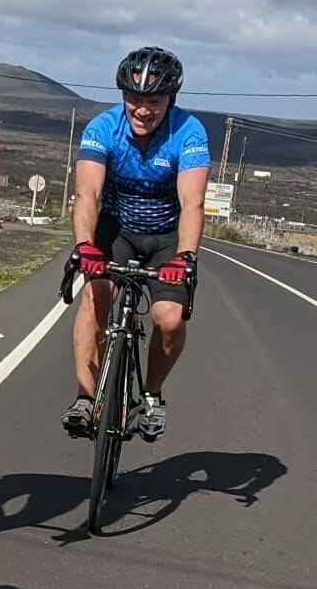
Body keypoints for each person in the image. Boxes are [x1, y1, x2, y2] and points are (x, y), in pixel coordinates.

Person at [62, 46, 209, 442]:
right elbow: (87, 194)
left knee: (169, 319)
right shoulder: (102, 127)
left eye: (153, 101)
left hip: (166, 235)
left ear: (170, 99)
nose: (142, 110)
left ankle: (153, 393)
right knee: (96, 296)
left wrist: (186, 256)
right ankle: (84, 396)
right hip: (117, 230)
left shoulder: (189, 132)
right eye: (134, 99)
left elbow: (193, 202)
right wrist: (85, 245)